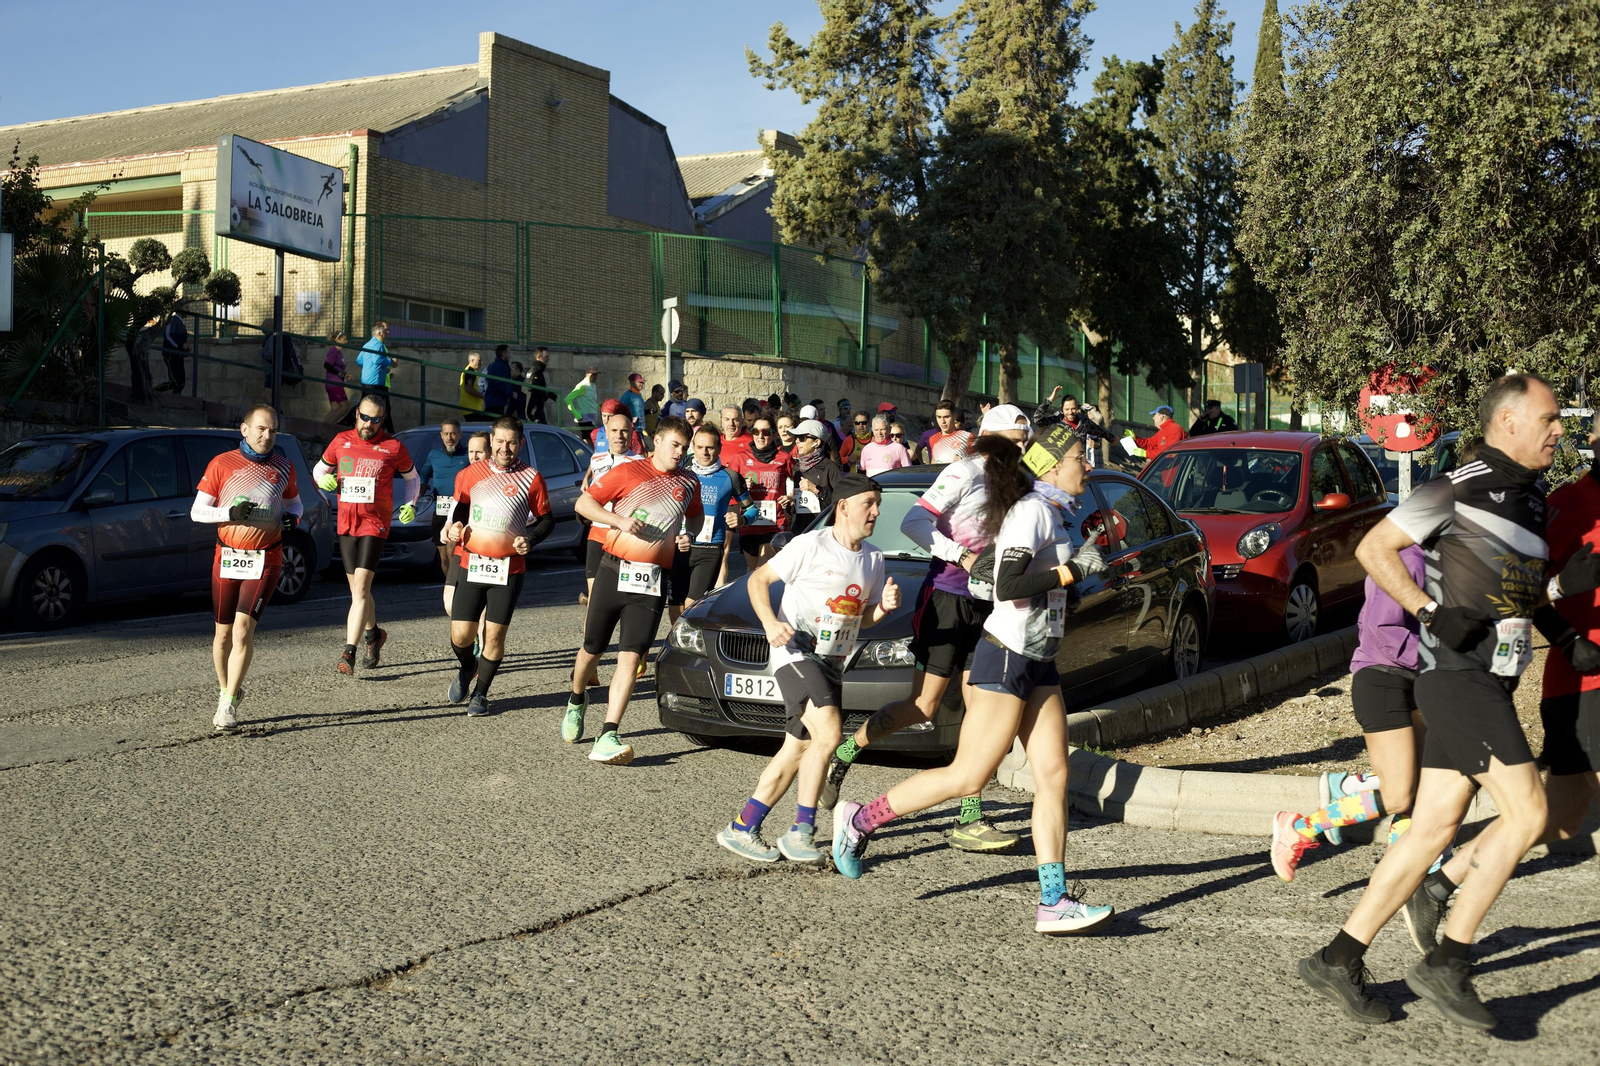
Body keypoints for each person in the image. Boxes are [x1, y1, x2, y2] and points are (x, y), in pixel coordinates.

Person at [1296, 373, 1600, 1030]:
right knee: (1528, 814)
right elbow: (1375, 549)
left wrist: (1565, 633)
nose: (1559, 429)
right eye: (1549, 418)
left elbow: (1516, 594)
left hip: (1491, 682)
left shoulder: (1533, 500)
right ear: (1509, 422)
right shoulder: (1457, 488)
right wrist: (1429, 614)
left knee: (1432, 830)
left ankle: (1338, 957)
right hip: (1458, 680)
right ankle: (1449, 962)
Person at [831, 426, 1117, 936]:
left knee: (1054, 776)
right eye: (1080, 457)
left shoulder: (1051, 511)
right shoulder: (1031, 511)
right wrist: (1072, 572)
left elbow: (1046, 587)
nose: (1088, 465)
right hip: (1005, 656)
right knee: (968, 777)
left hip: (1040, 657)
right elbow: (1008, 585)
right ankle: (860, 820)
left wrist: (1085, 571)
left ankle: (1053, 901)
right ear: (1051, 465)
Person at [1396, 420, 1600, 959]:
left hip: (1503, 678)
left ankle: (1433, 890)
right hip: (1576, 679)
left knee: (1557, 818)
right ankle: (1438, 956)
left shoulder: (1533, 500)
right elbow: (1523, 588)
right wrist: (1569, 633)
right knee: (1525, 812)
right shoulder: (1557, 503)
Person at [820, 403, 1036, 852]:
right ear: (990, 438)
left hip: (991, 604)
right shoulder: (964, 472)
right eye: (1014, 442)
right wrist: (964, 556)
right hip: (946, 598)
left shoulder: (1018, 482)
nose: (1022, 450)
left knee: (981, 708)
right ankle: (847, 750)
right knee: (923, 705)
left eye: (1025, 442)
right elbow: (913, 521)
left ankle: (970, 819)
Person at [717, 476, 900, 863]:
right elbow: (758, 580)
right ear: (844, 506)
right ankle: (802, 831)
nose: (876, 512)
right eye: (869, 503)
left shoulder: (874, 558)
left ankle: (741, 827)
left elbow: (862, 619)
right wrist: (769, 623)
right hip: (796, 652)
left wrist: (883, 607)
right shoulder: (810, 545)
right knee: (830, 733)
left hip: (833, 662)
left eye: (878, 503)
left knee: (798, 746)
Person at [1270, 544, 1431, 882]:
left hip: (1417, 678)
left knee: (1418, 786)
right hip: (1384, 677)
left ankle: (1398, 868)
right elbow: (1383, 628)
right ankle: (1299, 828)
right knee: (1400, 791)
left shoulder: (1439, 559)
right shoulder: (1408, 558)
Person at [562, 417, 701, 763]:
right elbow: (583, 504)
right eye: (675, 445)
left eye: (685, 448)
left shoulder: (688, 481)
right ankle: (577, 697)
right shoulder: (629, 472)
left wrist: (689, 535)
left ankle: (608, 733)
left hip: (652, 581)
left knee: (630, 656)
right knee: (592, 649)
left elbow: (695, 517)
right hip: (613, 571)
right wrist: (619, 521)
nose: (680, 453)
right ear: (657, 441)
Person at [190, 404, 303, 731]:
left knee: (243, 630)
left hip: (266, 557)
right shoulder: (222, 464)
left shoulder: (283, 466)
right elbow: (197, 512)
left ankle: (227, 706)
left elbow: (295, 503)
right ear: (245, 430)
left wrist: (292, 518)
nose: (267, 435)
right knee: (222, 634)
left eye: (273, 430)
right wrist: (230, 514)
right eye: (261, 429)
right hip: (227, 555)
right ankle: (229, 690)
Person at [441, 416, 555, 717]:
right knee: (461, 635)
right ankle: (468, 667)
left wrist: (530, 539)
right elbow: (460, 511)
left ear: (520, 443)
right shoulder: (469, 475)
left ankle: (481, 693)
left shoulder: (531, 478)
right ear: (491, 442)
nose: (506, 447)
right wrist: (455, 529)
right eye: (501, 441)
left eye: (512, 442)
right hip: (472, 563)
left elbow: (547, 520)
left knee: (493, 636)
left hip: (509, 569)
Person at [314, 394, 420, 676]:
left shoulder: (393, 446)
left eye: (375, 420)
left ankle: (349, 651)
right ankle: (374, 633)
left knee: (360, 589)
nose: (368, 424)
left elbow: (413, 478)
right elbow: (318, 469)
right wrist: (322, 479)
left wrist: (410, 504)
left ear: (382, 420)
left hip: (376, 523)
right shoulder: (341, 442)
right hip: (347, 523)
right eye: (364, 417)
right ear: (356, 414)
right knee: (358, 591)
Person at [669, 425, 751, 627]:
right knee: (675, 602)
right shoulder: (681, 473)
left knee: (692, 603)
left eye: (710, 448)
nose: (705, 452)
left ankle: (684, 639)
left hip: (710, 548)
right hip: (680, 546)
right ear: (693, 448)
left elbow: (752, 510)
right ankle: (679, 642)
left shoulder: (731, 476)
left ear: (719, 448)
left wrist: (742, 520)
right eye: (700, 447)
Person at [581, 411, 644, 606]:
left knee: (616, 596)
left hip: (622, 535)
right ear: (606, 433)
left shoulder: (639, 462)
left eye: (624, 431)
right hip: (597, 530)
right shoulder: (597, 459)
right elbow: (593, 481)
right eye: (615, 431)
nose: (619, 435)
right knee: (593, 595)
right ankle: (590, 635)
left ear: (631, 434)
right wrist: (585, 480)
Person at [735, 414, 795, 575]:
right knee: (752, 573)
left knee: (760, 572)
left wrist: (789, 497)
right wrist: (741, 487)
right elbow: (729, 489)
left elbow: (797, 481)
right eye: (756, 431)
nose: (760, 436)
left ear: (774, 434)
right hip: (748, 523)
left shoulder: (784, 458)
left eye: (766, 432)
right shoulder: (741, 458)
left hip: (774, 524)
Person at [442, 432, 491, 620]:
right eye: (471, 451)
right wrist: (448, 525)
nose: (474, 456)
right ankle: (470, 636)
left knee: (483, 604)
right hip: (464, 546)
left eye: (479, 451)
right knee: (450, 600)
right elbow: (457, 504)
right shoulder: (463, 474)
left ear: (490, 452)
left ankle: (479, 643)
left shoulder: (501, 477)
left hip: (489, 548)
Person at [419, 419, 471, 580]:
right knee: (443, 556)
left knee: (452, 551)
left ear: (460, 434)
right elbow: (424, 473)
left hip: (461, 507)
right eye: (446, 434)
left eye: (453, 433)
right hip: (440, 508)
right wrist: (423, 485)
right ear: (441, 435)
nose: (450, 437)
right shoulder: (434, 455)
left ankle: (455, 586)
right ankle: (451, 585)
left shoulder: (468, 454)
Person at [789, 419, 843, 536]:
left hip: (823, 531)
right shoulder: (796, 468)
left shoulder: (830, 467)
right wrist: (790, 503)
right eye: (796, 438)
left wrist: (815, 489)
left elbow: (841, 501)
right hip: (800, 531)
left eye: (802, 438)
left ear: (816, 442)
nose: (797, 441)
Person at [1059, 395, 1113, 467]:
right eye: (1088, 411)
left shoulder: (1095, 425)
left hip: (1095, 462)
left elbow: (1099, 417)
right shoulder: (1080, 423)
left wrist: (1090, 408)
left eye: (1093, 411)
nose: (1090, 412)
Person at [922, 400, 975, 464]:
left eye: (946, 417)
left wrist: (964, 461)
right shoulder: (932, 439)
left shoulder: (967, 436)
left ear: (955, 416)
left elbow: (978, 462)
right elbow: (934, 462)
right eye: (939, 417)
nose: (943, 421)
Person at [355, 322, 393, 403]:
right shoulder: (379, 344)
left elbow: (359, 361)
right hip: (375, 381)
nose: (387, 334)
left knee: (366, 403)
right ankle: (352, 415)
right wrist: (391, 361)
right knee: (377, 406)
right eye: (385, 332)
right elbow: (377, 360)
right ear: (380, 334)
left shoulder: (367, 344)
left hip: (365, 380)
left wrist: (369, 367)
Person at [323, 331, 352, 423]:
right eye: (344, 339)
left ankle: (320, 431)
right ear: (338, 340)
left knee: (335, 408)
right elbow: (327, 365)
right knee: (345, 407)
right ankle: (328, 428)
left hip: (333, 383)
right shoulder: (333, 350)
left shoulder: (339, 352)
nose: (346, 341)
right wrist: (340, 374)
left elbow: (336, 367)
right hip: (334, 383)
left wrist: (345, 374)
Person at [158, 310, 189, 394]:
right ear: (179, 309)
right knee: (174, 382)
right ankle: (152, 392)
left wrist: (185, 347)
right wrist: (180, 345)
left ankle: (175, 400)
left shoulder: (179, 322)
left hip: (178, 355)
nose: (188, 310)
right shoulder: (173, 320)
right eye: (186, 308)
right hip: (171, 355)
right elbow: (168, 335)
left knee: (181, 383)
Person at [482, 345, 515, 417]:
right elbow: (500, 383)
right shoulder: (500, 366)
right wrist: (511, 393)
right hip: (496, 401)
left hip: (495, 400)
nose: (510, 356)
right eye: (509, 353)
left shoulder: (494, 365)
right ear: (503, 354)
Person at [622, 373, 649, 449]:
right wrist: (629, 419)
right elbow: (620, 409)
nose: (641, 384)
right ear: (632, 382)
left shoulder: (638, 395)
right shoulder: (627, 395)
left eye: (642, 382)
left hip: (640, 429)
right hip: (633, 429)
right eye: (639, 382)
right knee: (642, 450)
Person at [526, 347, 551, 424]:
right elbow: (530, 390)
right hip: (535, 411)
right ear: (539, 357)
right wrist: (545, 393)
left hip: (536, 410)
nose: (548, 359)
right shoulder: (536, 371)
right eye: (546, 357)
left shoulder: (533, 370)